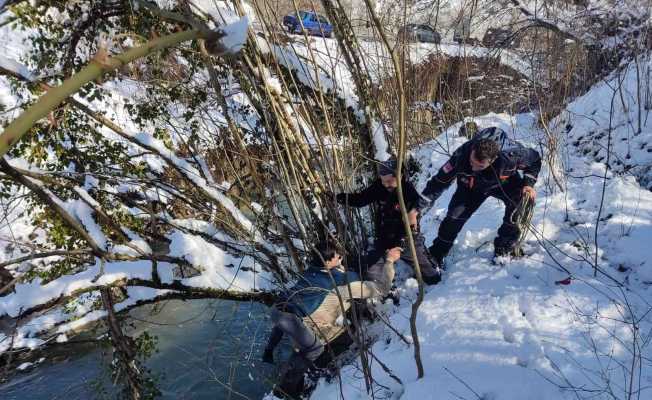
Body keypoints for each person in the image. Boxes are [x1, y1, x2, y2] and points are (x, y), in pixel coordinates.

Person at [263, 241, 400, 398]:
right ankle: (292, 386)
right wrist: (389, 261)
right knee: (337, 341)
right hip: (302, 326)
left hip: (284, 316)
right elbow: (381, 289)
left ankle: (290, 371)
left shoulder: (310, 273)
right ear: (328, 261)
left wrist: (270, 348)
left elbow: (284, 315)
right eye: (337, 256)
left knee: (305, 343)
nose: (340, 257)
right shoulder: (340, 282)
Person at [422, 127, 541, 265]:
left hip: (503, 183)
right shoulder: (461, 155)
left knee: (518, 205)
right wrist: (417, 207)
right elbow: (438, 182)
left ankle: (504, 248)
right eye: (472, 162)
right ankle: (437, 254)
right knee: (454, 218)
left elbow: (535, 160)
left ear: (493, 159)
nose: (473, 167)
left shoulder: (512, 155)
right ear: (472, 150)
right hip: (471, 187)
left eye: (479, 165)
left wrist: (528, 184)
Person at [336, 157, 442, 285]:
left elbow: (412, 224)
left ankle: (433, 274)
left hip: (406, 237)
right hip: (384, 235)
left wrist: (400, 245)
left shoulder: (409, 194)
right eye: (383, 181)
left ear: (399, 175)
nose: (386, 185)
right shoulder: (380, 186)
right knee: (373, 266)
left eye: (389, 181)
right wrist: (338, 198)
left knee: (425, 268)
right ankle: (383, 288)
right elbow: (361, 199)